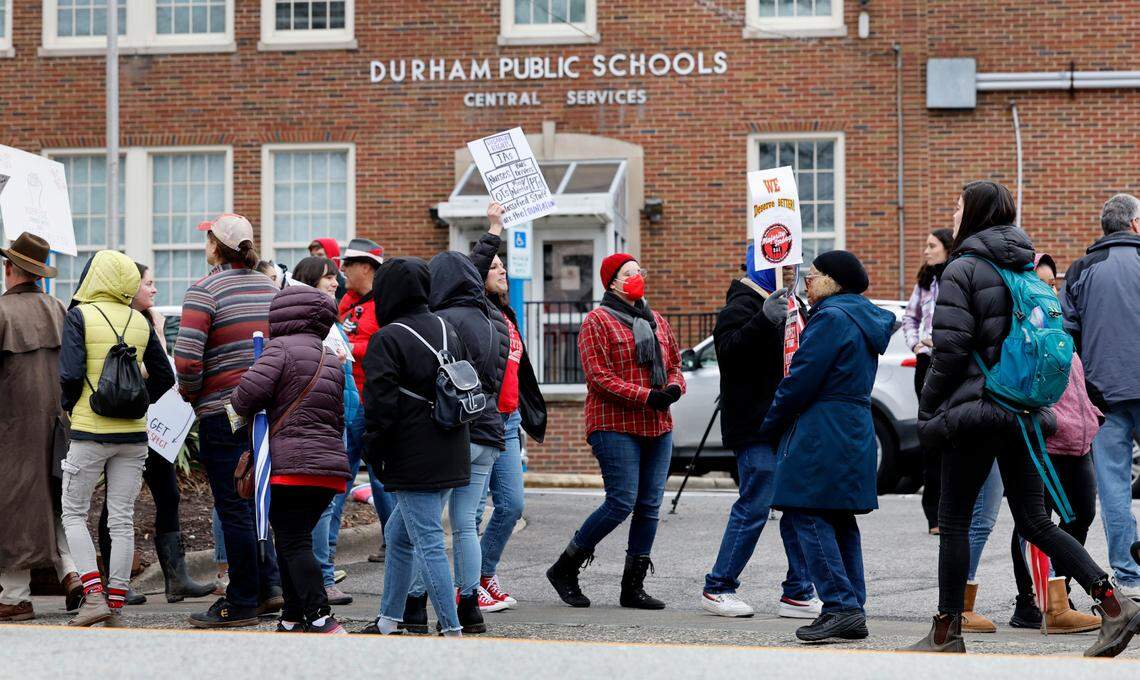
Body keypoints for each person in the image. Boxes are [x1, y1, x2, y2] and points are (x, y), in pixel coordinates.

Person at [906, 180, 1139, 657]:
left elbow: (949, 350)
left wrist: (928, 407)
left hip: (974, 411)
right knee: (1036, 520)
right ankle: (1115, 605)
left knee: (953, 521)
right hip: (1023, 412)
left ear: (975, 214)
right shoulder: (1024, 267)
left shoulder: (963, 269)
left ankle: (946, 632)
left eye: (957, 207)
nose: (952, 215)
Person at [956, 254, 1103, 634]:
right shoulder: (1019, 330)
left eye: (1052, 284)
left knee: (1079, 516)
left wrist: (1093, 412)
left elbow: (1075, 384)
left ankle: (1059, 592)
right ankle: (1033, 602)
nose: (1047, 290)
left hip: (1078, 441)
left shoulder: (1057, 327)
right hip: (1044, 436)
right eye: (1041, 282)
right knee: (1033, 522)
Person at [757, 251, 893, 643]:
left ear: (833, 281)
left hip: (823, 429)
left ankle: (840, 606)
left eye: (813, 276)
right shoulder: (860, 316)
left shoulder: (831, 318)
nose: (807, 283)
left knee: (806, 513)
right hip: (851, 428)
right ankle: (852, 607)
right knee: (837, 517)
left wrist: (770, 425)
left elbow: (800, 379)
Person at [547, 254, 685, 610]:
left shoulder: (656, 320)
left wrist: (673, 388)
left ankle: (633, 587)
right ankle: (566, 567)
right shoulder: (597, 321)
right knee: (621, 501)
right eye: (629, 273)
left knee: (650, 506)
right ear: (612, 282)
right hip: (614, 425)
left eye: (640, 271)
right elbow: (599, 377)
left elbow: (675, 365)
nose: (637, 277)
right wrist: (648, 396)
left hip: (658, 425)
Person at [699, 244, 819, 620]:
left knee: (797, 505)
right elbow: (730, 354)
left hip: (779, 423)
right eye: (782, 265)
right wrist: (763, 320)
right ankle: (718, 587)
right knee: (754, 506)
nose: (790, 273)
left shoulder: (783, 304)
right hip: (753, 427)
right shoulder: (741, 305)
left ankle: (798, 591)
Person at [176, 214, 283, 628]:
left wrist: (190, 394)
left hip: (224, 410)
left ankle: (239, 602)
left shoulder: (204, 291)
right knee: (258, 500)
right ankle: (270, 587)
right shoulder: (270, 289)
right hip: (268, 410)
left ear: (215, 247)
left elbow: (186, 360)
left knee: (234, 505)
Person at [58, 249, 175, 626]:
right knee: (121, 519)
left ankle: (92, 595)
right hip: (134, 436)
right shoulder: (140, 321)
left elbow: (71, 374)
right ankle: (117, 603)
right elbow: (165, 377)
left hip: (90, 431)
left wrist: (72, 405)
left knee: (74, 513)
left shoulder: (80, 316)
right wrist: (138, 402)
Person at [358, 257, 471, 638]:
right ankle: (389, 619)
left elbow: (379, 406)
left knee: (427, 543)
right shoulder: (447, 328)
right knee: (400, 535)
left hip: (411, 453)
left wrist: (374, 449)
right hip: (452, 447)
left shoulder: (387, 338)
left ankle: (451, 629)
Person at [230, 285, 352, 634]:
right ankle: (293, 615)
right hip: (328, 470)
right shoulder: (331, 357)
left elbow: (244, 397)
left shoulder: (278, 349)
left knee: (293, 540)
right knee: (291, 538)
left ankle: (320, 614)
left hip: (290, 467)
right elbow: (337, 418)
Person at [96, 263, 214, 606]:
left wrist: (159, 334)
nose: (154, 290)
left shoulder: (148, 322)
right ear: (129, 287)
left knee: (169, 496)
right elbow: (134, 372)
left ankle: (176, 579)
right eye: (148, 284)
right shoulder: (115, 322)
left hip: (157, 426)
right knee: (119, 501)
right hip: (126, 424)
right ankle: (112, 582)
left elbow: (164, 370)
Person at [421, 248, 510, 632]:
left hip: (456, 430)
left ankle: (413, 603)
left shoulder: (441, 321)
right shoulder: (496, 320)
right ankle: (470, 603)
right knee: (464, 525)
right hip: (490, 429)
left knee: (424, 523)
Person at [469, 203, 548, 611]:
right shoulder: (472, 309)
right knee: (475, 508)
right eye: (494, 266)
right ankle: (469, 585)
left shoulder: (506, 313)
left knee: (512, 506)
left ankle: (485, 573)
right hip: (482, 419)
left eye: (503, 265)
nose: (502, 270)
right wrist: (495, 228)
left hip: (509, 421)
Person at [1062, 193, 1140, 601]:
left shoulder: (1081, 270)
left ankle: (1129, 575)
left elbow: (1066, 337)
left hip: (1102, 395)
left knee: (1113, 486)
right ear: (1134, 225)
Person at [0, 233, 81, 623]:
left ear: (9, 269)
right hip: (58, 422)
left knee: (14, 507)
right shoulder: (57, 308)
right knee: (56, 502)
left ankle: (15, 596)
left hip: (12, 428)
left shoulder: (1, 313)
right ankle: (72, 573)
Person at [290, 256, 368, 606]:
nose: (335, 283)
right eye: (327, 278)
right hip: (325, 427)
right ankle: (320, 577)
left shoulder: (331, 323)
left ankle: (325, 568)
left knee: (333, 504)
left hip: (342, 425)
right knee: (322, 507)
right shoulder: (308, 327)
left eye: (335, 278)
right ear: (308, 282)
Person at [904, 228, 954, 534]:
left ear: (947, 248)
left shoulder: (958, 276)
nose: (926, 251)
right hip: (927, 363)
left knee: (953, 434)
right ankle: (933, 514)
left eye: (931, 246)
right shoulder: (925, 282)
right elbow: (910, 317)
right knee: (931, 436)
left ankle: (953, 509)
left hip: (951, 361)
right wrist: (917, 345)